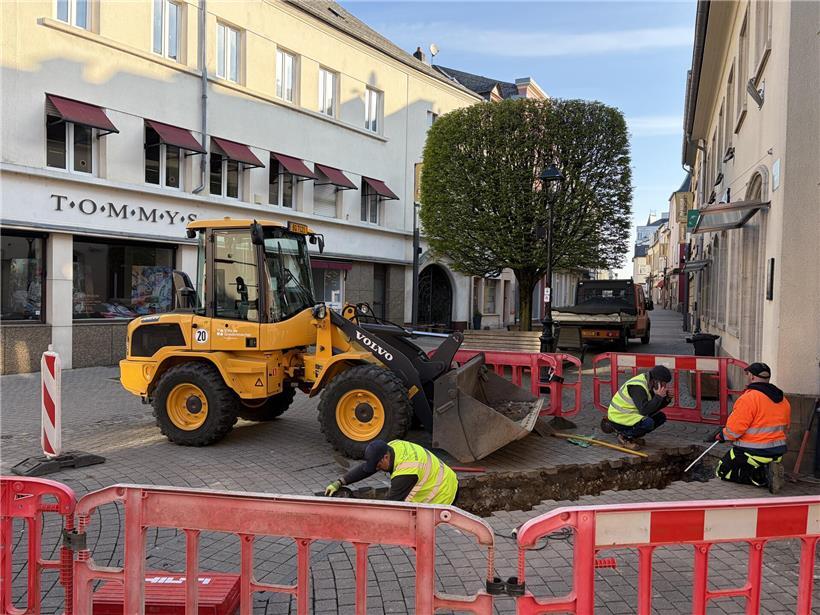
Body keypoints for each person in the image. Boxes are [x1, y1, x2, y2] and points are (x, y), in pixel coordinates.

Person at [715, 362, 790, 494]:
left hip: (753, 452)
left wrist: (722, 435)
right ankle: (768, 468)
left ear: (752, 377)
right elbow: (787, 427)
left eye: (748, 374)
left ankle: (763, 477)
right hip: (777, 452)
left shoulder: (749, 399)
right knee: (742, 464)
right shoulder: (783, 399)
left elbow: (734, 431)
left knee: (722, 471)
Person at [324, 439, 459, 505]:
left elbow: (391, 505)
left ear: (386, 457)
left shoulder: (405, 472)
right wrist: (339, 482)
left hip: (443, 496)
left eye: (378, 465)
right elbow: (366, 469)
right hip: (446, 478)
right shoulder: (393, 446)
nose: (377, 469)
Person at [600, 365, 673, 450]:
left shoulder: (650, 384)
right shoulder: (638, 387)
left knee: (660, 417)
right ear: (656, 381)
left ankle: (632, 437)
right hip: (618, 418)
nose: (664, 386)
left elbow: (653, 408)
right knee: (648, 423)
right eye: (663, 383)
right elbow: (644, 410)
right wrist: (658, 397)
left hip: (630, 415)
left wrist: (666, 399)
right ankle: (624, 437)